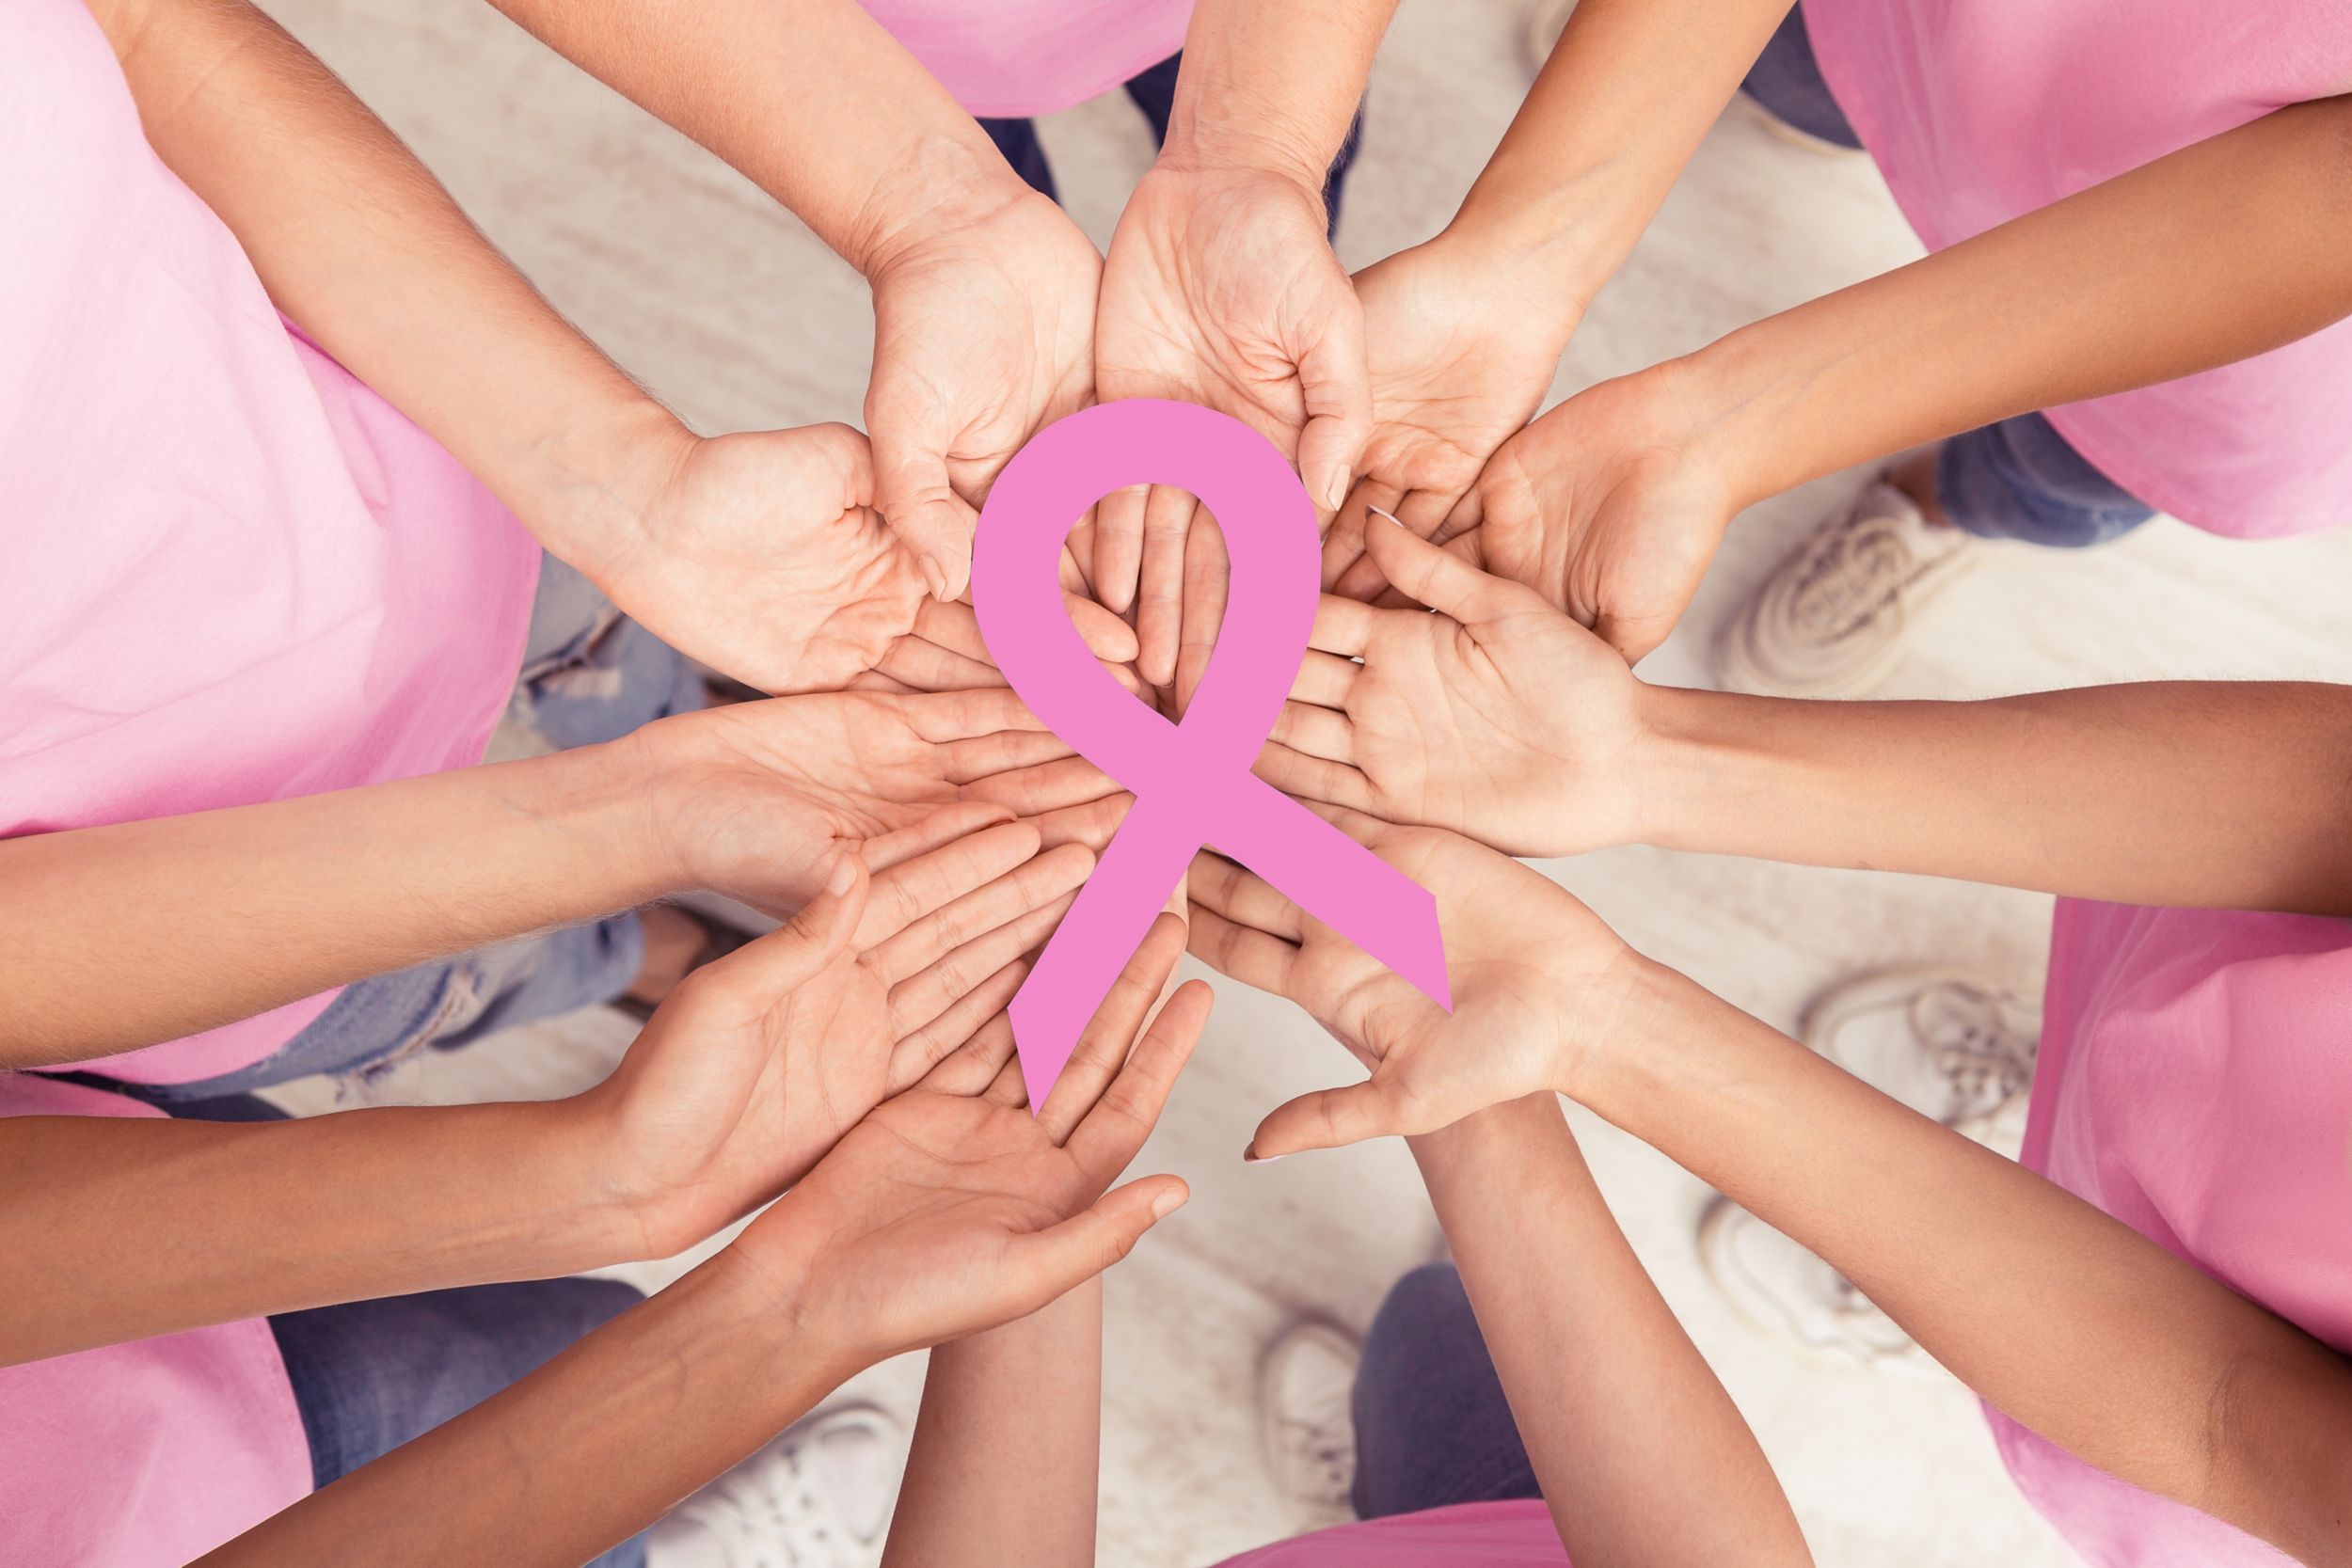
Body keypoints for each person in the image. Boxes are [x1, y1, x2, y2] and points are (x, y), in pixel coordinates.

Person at [1205, 515, 2352, 1563]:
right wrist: (1646, 761)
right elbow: (2328, 810)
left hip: (2169, 1362)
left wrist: (1597, 1011)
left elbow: (2224, 1417)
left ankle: (2006, 1202)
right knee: (2139, 1056)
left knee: (1427, 1365)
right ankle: (2045, 1114)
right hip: (2271, 1047)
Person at [7, 906, 1207, 1568]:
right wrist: (778, 1306)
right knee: (575, 1381)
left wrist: (615, 1179)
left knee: (564, 1340)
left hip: (116, 1305)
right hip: (220, 1472)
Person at [1322, 0, 2352, 700]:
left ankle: (1937, 502)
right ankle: (1733, 90)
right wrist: (1527, 251)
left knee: (2056, 462)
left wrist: (1712, 437)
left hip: (2254, 328)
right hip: (1938, 29)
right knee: (1815, 64)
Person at [481, 0, 1396, 699]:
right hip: (857, 45)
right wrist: (928, 206)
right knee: (997, 175)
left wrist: (1257, 148)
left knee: (1276, 179)